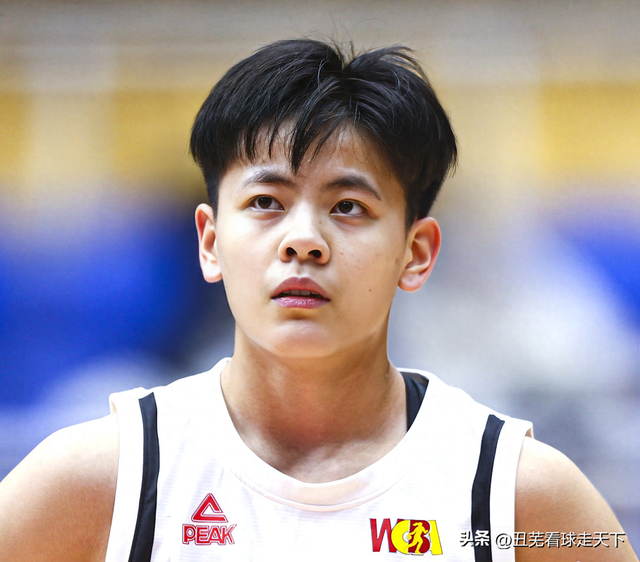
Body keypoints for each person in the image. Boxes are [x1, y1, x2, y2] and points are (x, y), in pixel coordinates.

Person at [0, 38, 636, 562]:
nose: (303, 239)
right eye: (266, 202)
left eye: (348, 206)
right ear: (210, 242)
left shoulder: (519, 498)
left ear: (416, 253)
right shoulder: (98, 481)